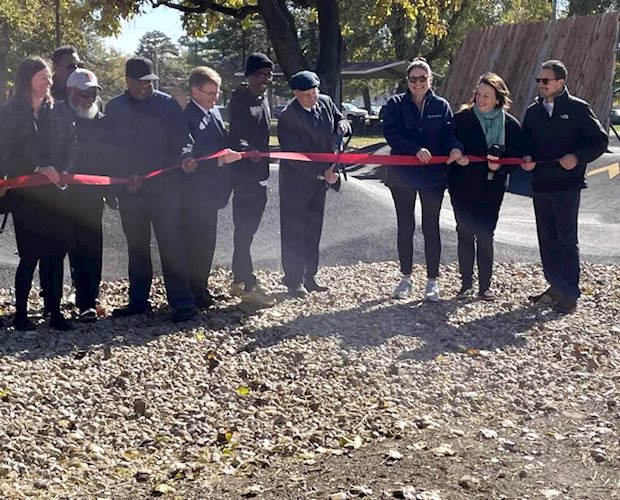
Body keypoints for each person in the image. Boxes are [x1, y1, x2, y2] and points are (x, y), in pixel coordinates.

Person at [105, 56, 196, 322]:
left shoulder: (167, 105)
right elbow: (109, 150)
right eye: (140, 83)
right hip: (131, 191)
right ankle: (138, 301)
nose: (145, 87)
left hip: (165, 189)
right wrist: (122, 177)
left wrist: (185, 156)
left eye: (149, 83)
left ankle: (182, 301)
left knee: (172, 245)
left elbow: (183, 139)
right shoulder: (115, 108)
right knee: (137, 247)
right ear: (128, 80)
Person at [521, 60, 607, 314]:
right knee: (546, 238)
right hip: (540, 184)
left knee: (566, 238)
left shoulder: (579, 109)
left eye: (545, 81)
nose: (541, 85)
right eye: (538, 80)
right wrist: (525, 157)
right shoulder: (533, 112)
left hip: (567, 186)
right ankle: (555, 286)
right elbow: (524, 141)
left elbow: (599, 141)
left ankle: (570, 293)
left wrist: (577, 157)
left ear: (560, 82)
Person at [382, 57, 463, 302]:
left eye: (422, 78)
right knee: (405, 226)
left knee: (431, 227)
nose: (417, 83)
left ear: (430, 80)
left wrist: (456, 148)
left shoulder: (441, 106)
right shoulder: (395, 104)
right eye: (413, 79)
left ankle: (432, 281)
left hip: (432, 177)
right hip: (402, 176)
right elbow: (390, 133)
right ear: (407, 81)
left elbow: (450, 134)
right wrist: (414, 149)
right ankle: (406, 277)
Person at [0, 57, 72, 331]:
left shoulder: (59, 111)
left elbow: (70, 148)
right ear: (27, 79)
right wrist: (35, 168)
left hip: (55, 194)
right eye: (43, 77)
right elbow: (5, 153)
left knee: (55, 254)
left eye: (50, 77)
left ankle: (54, 311)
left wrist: (64, 171)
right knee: (30, 254)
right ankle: (20, 314)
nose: (49, 82)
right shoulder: (8, 114)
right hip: (26, 196)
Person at [449, 73, 524, 301]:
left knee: (485, 234)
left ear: (498, 99)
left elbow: (517, 157)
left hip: (492, 186)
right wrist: (457, 152)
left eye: (487, 96)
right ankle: (466, 284)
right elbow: (449, 140)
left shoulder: (510, 124)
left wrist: (499, 167)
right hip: (462, 185)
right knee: (464, 232)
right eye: (478, 94)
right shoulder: (462, 118)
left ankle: (485, 286)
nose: (480, 100)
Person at [277, 70, 351, 297]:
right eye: (307, 94)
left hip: (321, 182)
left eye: (315, 92)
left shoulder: (326, 102)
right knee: (293, 231)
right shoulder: (288, 116)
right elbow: (294, 155)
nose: (313, 97)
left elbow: (340, 118)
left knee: (313, 228)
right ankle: (293, 279)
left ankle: (310, 276)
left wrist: (344, 124)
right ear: (295, 94)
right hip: (296, 183)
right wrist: (322, 173)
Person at [47, 68, 107, 323]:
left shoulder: (101, 121)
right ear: (71, 92)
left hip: (91, 197)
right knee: (57, 249)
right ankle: (52, 303)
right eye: (84, 94)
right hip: (60, 196)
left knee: (90, 248)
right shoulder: (54, 116)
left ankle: (87, 301)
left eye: (93, 93)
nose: (89, 99)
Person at [181, 66, 240, 308]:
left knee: (207, 242)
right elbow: (189, 151)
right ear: (195, 91)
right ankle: (192, 290)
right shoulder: (187, 117)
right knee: (194, 243)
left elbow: (222, 141)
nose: (215, 98)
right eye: (210, 93)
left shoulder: (214, 113)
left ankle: (200, 286)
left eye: (217, 93)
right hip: (194, 193)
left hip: (213, 192)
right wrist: (217, 159)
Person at [227, 53, 276, 306]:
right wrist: (248, 151)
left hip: (261, 174)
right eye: (260, 74)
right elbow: (236, 134)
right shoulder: (239, 99)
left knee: (249, 231)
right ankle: (248, 284)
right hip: (244, 175)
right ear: (248, 76)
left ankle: (237, 278)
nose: (265, 79)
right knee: (244, 230)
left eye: (268, 75)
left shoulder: (264, 98)